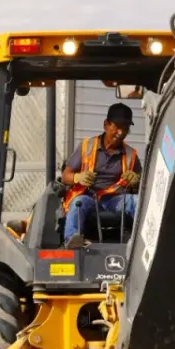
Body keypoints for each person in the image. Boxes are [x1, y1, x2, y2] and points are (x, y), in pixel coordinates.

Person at [60, 102, 142, 248]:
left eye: (125, 128)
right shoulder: (87, 146)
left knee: (137, 201)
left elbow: (143, 184)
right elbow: (65, 176)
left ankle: (144, 242)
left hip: (115, 199)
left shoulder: (131, 154)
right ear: (106, 124)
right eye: (117, 127)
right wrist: (78, 177)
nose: (120, 132)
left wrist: (136, 180)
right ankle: (72, 240)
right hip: (89, 197)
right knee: (78, 203)